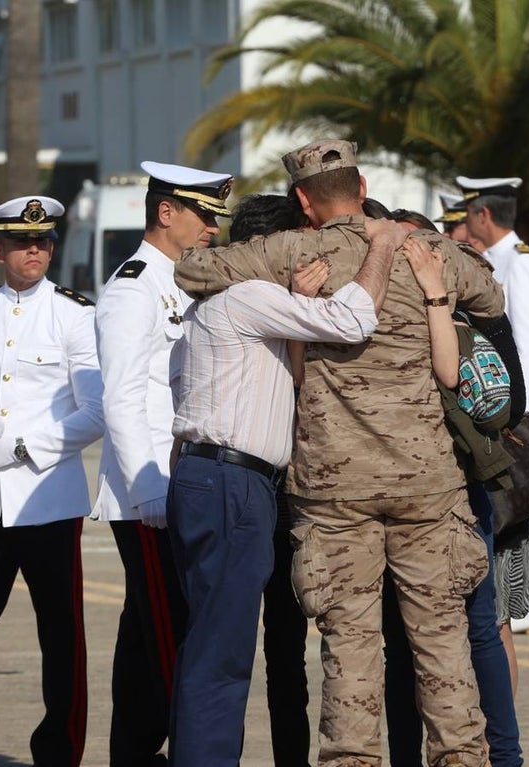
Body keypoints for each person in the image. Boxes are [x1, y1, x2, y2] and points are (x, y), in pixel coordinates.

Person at [173, 139, 505, 767]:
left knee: (348, 647)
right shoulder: (425, 249)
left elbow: (192, 272)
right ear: (364, 182)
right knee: (442, 641)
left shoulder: (295, 249)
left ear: (302, 198)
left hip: (332, 491)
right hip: (426, 484)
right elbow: (491, 296)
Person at [165, 194, 401, 767]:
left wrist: (297, 301)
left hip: (208, 478)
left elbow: (290, 373)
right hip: (231, 483)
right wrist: (384, 247)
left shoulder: (216, 306)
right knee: (221, 654)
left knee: (211, 644)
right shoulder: (250, 296)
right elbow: (351, 319)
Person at [0, 196, 105, 767]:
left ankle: (58, 752)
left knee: (60, 631)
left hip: (46, 497)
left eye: (45, 241)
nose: (37, 250)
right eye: (24, 242)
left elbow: (96, 410)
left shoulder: (76, 315)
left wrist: (26, 445)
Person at [91, 161, 231, 767]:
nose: (212, 229)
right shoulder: (132, 287)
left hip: (180, 482)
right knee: (173, 632)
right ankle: (179, 749)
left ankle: (135, 750)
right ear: (166, 212)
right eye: (203, 215)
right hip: (151, 492)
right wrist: (146, 487)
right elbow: (120, 395)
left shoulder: (184, 279)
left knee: (146, 629)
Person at [381, 227, 526, 767]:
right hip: (459, 487)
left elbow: (503, 396)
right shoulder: (469, 304)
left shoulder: (447, 312)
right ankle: (505, 758)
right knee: (476, 628)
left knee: (455, 632)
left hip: (452, 492)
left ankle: (500, 756)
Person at [227, 193, 315, 767]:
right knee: (223, 644)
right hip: (240, 485)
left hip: (288, 494)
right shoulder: (224, 304)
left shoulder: (301, 303)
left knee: (287, 648)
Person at [458, 175, 529, 648]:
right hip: (505, 410)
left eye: (469, 212)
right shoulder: (498, 261)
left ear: (483, 215)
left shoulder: (521, 264)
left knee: (522, 508)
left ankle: (525, 605)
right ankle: (519, 604)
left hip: (516, 413)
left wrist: (516, 417)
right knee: (509, 509)